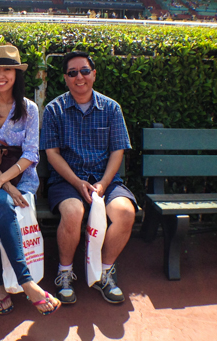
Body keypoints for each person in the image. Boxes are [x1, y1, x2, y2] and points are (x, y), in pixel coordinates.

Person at [0, 44, 61, 317]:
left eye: (7, 69)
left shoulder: (29, 108)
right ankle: (27, 282)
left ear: (16, 74)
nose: (0, 75)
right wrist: (2, 185)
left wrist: (6, 184)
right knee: (5, 205)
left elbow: (31, 155)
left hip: (24, 182)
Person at [40, 51, 137, 305]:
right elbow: (52, 154)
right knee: (72, 212)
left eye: (84, 71)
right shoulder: (54, 110)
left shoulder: (111, 108)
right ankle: (64, 273)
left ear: (94, 74)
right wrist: (76, 182)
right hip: (66, 181)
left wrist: (103, 184)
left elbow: (118, 151)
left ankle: (104, 271)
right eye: (72, 73)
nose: (79, 77)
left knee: (126, 213)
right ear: (65, 78)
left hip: (105, 181)